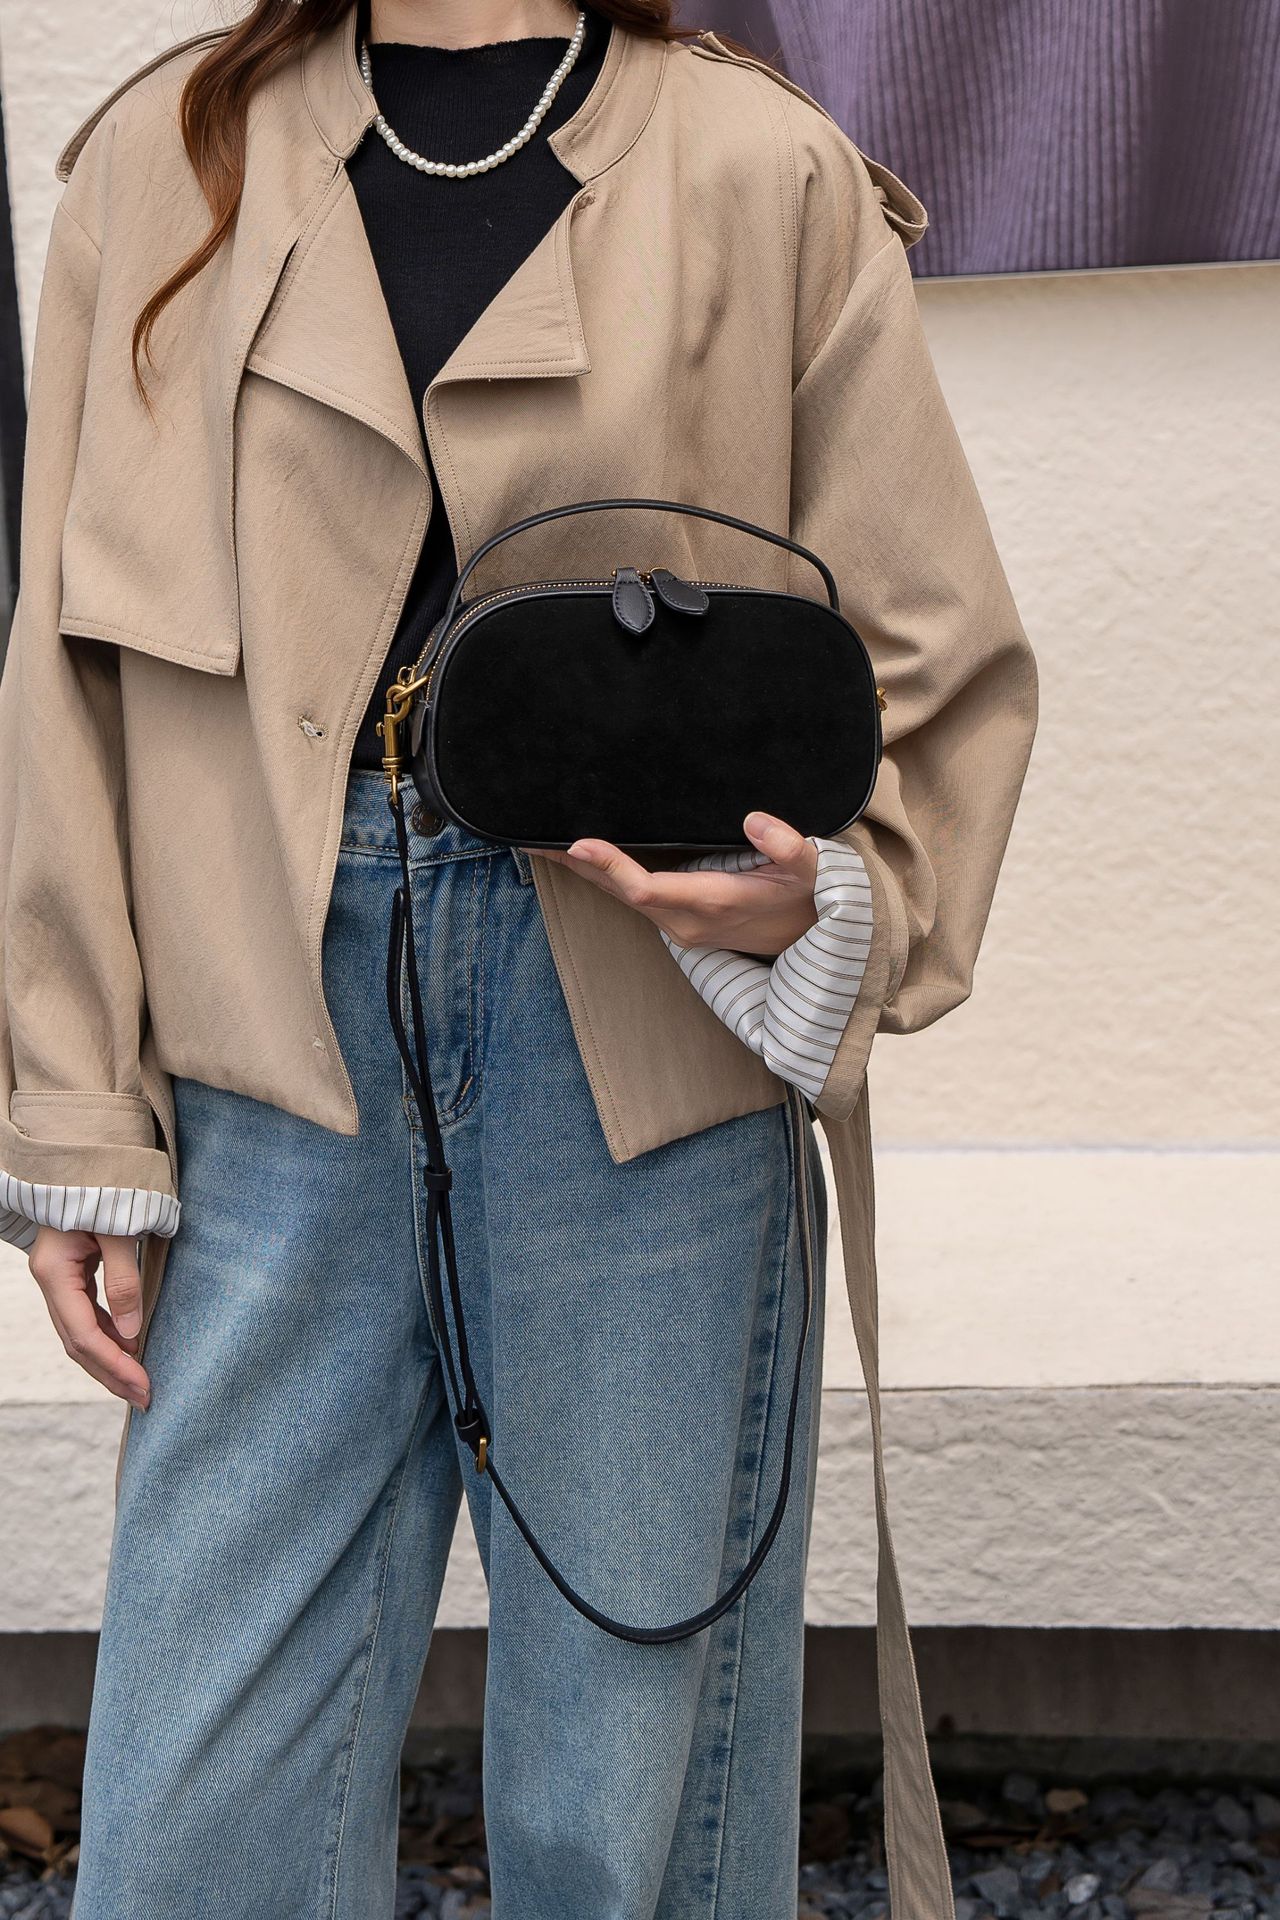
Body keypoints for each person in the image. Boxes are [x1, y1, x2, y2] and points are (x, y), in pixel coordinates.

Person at [0, 2, 1038, 1915]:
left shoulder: (761, 171)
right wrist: (76, 1106)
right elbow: (63, 673)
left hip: (641, 1039)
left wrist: (826, 900)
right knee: (194, 1824)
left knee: (623, 1814)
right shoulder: (167, 157)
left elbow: (934, 656)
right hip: (263, 1034)